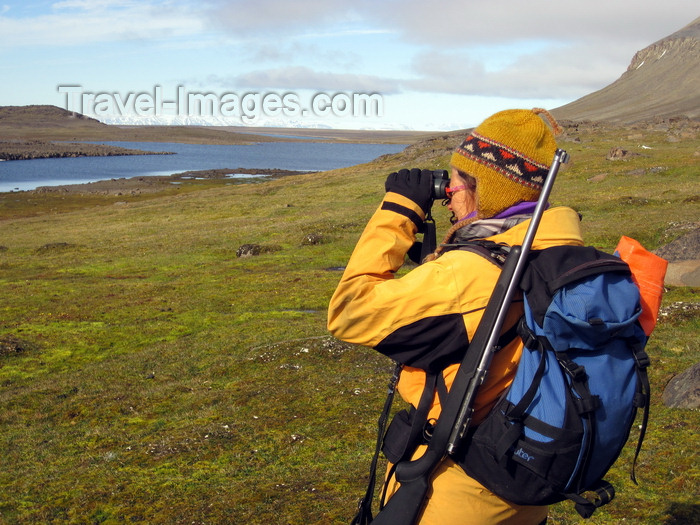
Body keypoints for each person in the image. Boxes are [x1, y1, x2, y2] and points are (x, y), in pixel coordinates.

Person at [327, 108, 584, 524]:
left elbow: (350, 312)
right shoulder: (557, 250)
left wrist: (398, 211)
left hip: (460, 491)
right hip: (526, 480)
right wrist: (435, 262)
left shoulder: (472, 275)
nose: (448, 191)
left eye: (459, 180)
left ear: (492, 189)